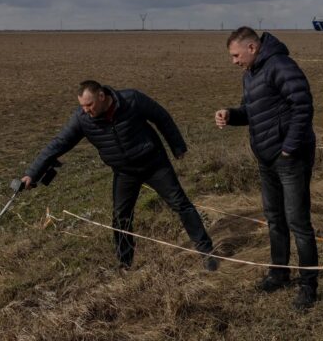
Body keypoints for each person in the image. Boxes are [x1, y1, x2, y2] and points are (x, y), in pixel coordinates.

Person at [23, 80, 218, 271]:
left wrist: (177, 147)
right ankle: (125, 264)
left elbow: (161, 117)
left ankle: (207, 252)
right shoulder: (82, 119)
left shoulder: (131, 99)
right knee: (121, 217)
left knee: (180, 204)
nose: (86, 110)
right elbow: (58, 144)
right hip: (124, 172)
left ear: (101, 96)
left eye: (89, 105)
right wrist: (32, 174)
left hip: (154, 163)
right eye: (82, 106)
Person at [214, 26, 319, 310]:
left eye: (236, 55)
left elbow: (303, 104)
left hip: (289, 158)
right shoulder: (251, 74)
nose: (233, 61)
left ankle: (309, 286)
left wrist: (289, 148)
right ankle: (279, 273)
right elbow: (252, 111)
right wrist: (230, 115)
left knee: (298, 222)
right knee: (274, 218)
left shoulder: (280, 65)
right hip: (266, 159)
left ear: (252, 47)